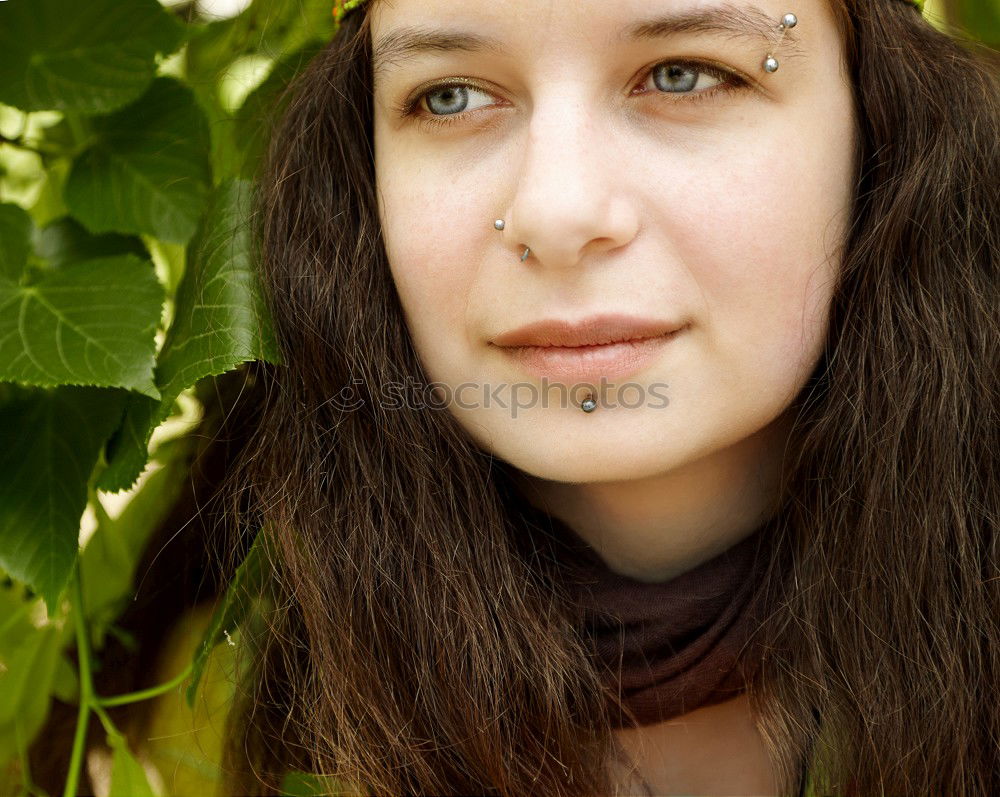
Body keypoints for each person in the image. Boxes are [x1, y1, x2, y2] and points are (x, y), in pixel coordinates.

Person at [211, 0, 998, 794]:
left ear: (878, 123)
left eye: (683, 75)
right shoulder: (202, 707)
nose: (557, 214)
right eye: (450, 94)